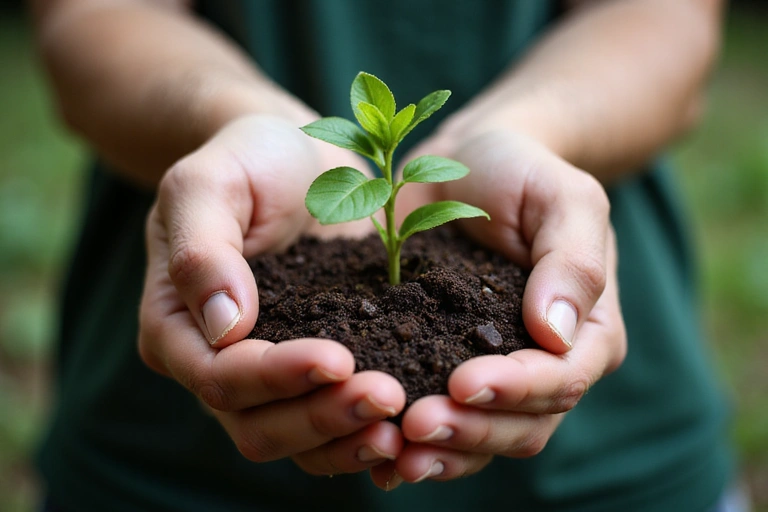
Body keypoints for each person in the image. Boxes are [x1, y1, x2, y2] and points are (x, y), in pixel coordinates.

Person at [30, 0, 741, 510]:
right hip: (165, 467)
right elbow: (86, 16)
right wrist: (240, 119)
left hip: (618, 464)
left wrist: (527, 129)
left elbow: (666, 17)